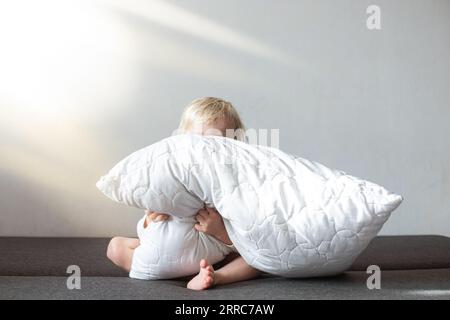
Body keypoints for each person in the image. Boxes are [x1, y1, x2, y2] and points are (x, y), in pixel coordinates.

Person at [107, 97, 261, 290]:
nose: (205, 149)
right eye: (197, 140)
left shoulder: (232, 185)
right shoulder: (172, 175)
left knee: (256, 258)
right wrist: (149, 219)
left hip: (212, 257)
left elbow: (246, 235)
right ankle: (165, 264)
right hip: (167, 248)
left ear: (234, 145)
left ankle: (215, 277)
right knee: (115, 247)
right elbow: (151, 223)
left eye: (216, 141)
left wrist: (221, 232)